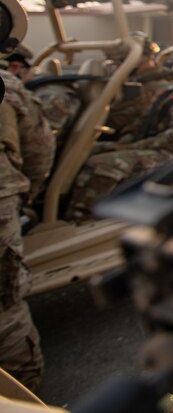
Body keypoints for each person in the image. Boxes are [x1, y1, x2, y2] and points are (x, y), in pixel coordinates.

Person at [65, 33, 173, 220]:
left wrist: (136, 146)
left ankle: (83, 218)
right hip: (157, 147)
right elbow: (146, 119)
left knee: (100, 164)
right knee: (85, 152)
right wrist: (127, 140)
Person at [0, 65, 56, 392]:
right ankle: (23, 394)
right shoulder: (9, 86)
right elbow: (40, 149)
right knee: (5, 310)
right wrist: (27, 194)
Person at [102, 31, 173, 140]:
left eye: (123, 60)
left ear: (146, 57)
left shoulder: (160, 85)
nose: (118, 65)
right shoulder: (123, 80)